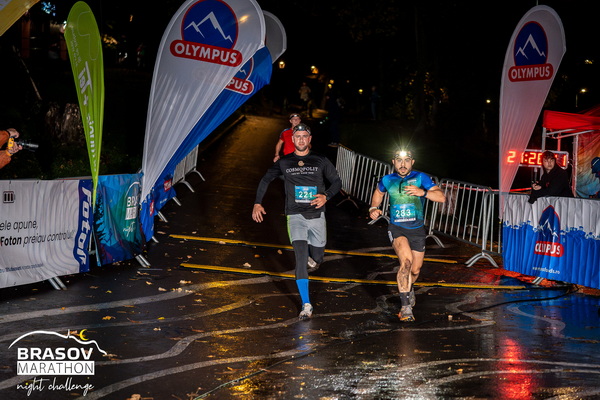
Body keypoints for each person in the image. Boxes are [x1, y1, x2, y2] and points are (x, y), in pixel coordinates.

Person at [253, 123, 342, 320]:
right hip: (295, 216)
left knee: (317, 258)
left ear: (309, 139)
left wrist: (326, 196)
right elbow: (266, 179)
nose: (301, 139)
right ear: (292, 140)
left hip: (317, 216)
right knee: (300, 258)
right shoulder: (285, 162)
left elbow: (337, 182)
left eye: (304, 136)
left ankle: (314, 258)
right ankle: (306, 304)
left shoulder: (320, 160)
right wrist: (257, 203)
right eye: (297, 136)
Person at [368, 149, 445, 322]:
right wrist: (373, 208)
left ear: (412, 162)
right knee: (406, 262)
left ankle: (409, 289)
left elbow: (441, 197)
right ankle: (405, 308)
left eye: (407, 161)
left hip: (417, 230)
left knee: (415, 270)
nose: (403, 165)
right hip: (397, 228)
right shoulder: (387, 179)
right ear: (393, 162)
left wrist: (423, 192)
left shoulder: (421, 178)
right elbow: (378, 193)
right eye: (399, 161)